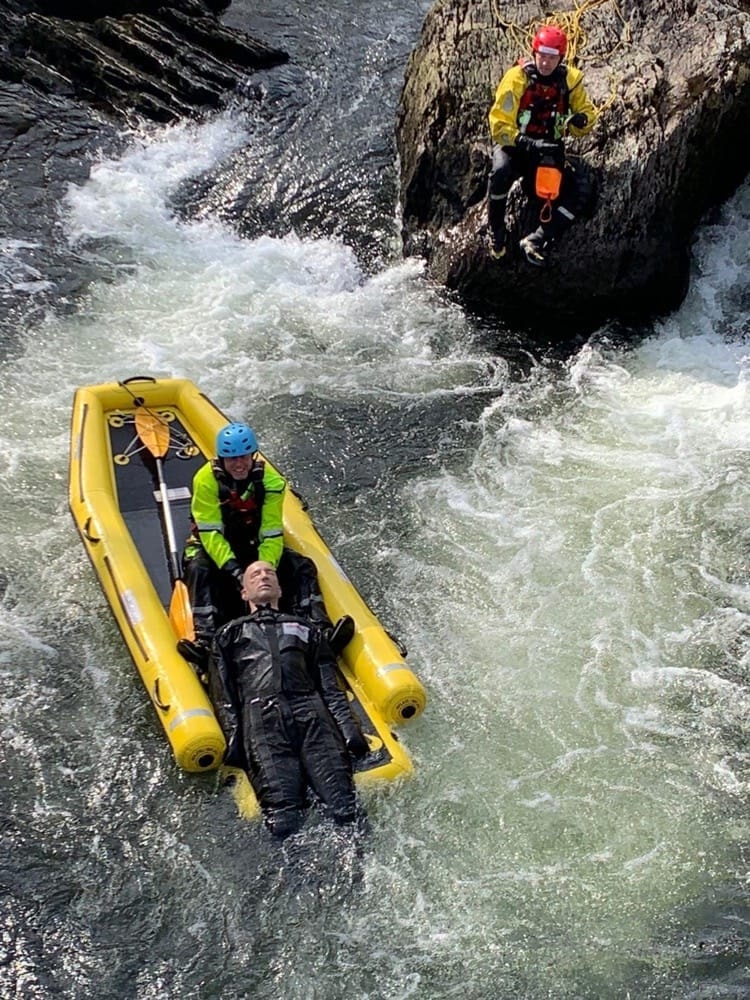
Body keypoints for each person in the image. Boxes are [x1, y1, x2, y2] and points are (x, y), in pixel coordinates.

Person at [208, 560, 369, 841]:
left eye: (269, 572)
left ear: (280, 589)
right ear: (244, 593)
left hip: (311, 714)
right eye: (255, 574)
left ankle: (361, 875)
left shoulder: (306, 628)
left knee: (345, 808)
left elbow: (329, 685)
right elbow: (224, 694)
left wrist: (348, 729)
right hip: (262, 721)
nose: (263, 576)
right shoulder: (228, 635)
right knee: (283, 819)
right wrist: (236, 740)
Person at [181, 421, 342, 658]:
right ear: (221, 460)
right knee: (199, 569)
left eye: (244, 457)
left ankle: (319, 629)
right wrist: (236, 572)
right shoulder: (206, 480)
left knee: (302, 566)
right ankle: (206, 641)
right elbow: (210, 532)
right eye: (232, 459)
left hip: (253, 546)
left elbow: (271, 532)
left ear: (253, 456)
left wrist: (265, 569)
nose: (239, 464)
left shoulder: (272, 482)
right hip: (216, 549)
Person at [487, 24, 596, 266]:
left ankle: (537, 239)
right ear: (534, 53)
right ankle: (496, 231)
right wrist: (525, 142)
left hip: (547, 151)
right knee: (500, 173)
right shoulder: (517, 79)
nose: (545, 63)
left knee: (581, 190)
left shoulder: (571, 82)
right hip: (515, 147)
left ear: (560, 58)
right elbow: (498, 124)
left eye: (551, 58)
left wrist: (582, 120)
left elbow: (586, 116)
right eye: (541, 56)